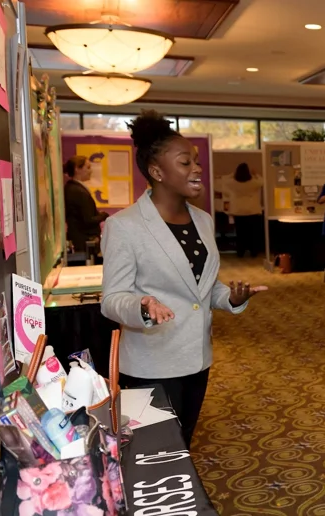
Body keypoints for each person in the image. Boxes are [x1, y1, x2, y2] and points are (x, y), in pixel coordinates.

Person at [101, 110, 267, 448]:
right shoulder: (125, 226)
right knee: (151, 451)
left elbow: (201, 288)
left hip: (197, 358)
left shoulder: (203, 221)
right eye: (185, 162)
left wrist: (231, 298)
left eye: (195, 161)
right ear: (157, 171)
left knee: (181, 443)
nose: (197, 168)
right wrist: (142, 306)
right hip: (151, 362)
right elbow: (112, 299)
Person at [64, 155, 108, 254]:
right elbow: (88, 220)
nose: (90, 171)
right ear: (77, 169)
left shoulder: (73, 188)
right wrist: (103, 215)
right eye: (88, 167)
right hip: (83, 243)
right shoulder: (78, 191)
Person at [226, 162, 264, 258]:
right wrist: (255, 174)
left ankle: (240, 252)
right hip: (252, 211)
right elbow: (262, 181)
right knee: (253, 233)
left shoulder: (233, 183)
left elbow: (225, 181)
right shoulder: (253, 183)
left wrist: (232, 174)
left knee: (240, 233)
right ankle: (253, 252)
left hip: (238, 212)